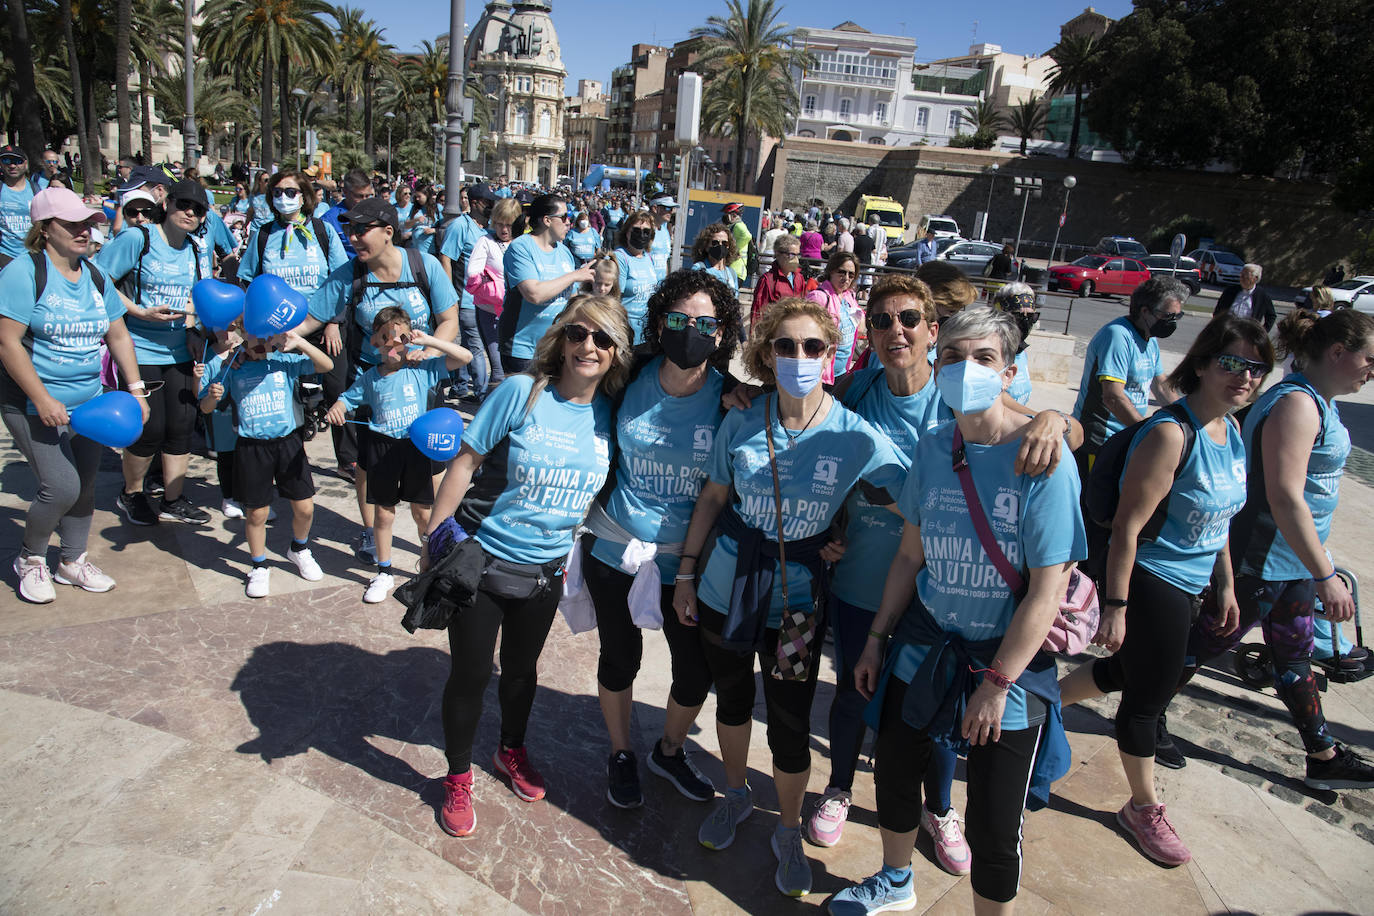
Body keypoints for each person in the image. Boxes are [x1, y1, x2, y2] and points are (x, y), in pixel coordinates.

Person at [833, 306, 1085, 915]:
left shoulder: (1042, 460)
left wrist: (997, 684)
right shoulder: (932, 448)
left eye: (983, 358)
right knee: (893, 772)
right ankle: (895, 881)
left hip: (1005, 667)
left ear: (1009, 372)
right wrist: (875, 640)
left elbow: (1046, 590)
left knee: (995, 826)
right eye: (952, 356)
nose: (964, 368)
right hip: (924, 643)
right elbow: (908, 559)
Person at [673, 297, 907, 898]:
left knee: (789, 721)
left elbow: (915, 499)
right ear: (765, 355)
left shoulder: (856, 436)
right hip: (727, 587)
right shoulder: (743, 418)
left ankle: (787, 827)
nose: (798, 357)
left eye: (812, 347)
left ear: (832, 356)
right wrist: (685, 574)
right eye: (785, 346)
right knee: (730, 699)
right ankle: (734, 794)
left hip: (796, 605)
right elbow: (712, 500)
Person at [1058, 315, 1271, 867]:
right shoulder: (1170, 433)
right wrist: (1117, 607)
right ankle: (1141, 806)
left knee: (1132, 671)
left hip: (1195, 582)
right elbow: (1127, 527)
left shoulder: (1233, 429)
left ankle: (1042, 705)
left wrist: (1224, 584)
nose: (1245, 376)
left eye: (1256, 367)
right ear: (1200, 364)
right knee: (1148, 698)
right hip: (1153, 579)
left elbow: (1219, 520)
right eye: (1232, 363)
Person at [426, 295, 632, 838]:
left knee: (521, 673)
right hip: (482, 559)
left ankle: (509, 751)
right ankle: (456, 775)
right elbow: (465, 461)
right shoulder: (522, 391)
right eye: (579, 334)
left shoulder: (612, 414)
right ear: (561, 340)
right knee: (471, 674)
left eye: (603, 338)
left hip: (545, 570)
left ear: (616, 353)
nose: (589, 346)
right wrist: (435, 537)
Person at [1171, 309, 1374, 791]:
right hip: (1263, 558)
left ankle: (1322, 752)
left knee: (1294, 656)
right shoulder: (1297, 405)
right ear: (1338, 352)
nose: (1373, 370)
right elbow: (1284, 495)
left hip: (1291, 562)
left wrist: (1315, 566)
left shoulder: (1320, 401)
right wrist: (1326, 574)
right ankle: (1142, 712)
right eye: (1371, 358)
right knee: (1207, 641)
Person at [579, 269, 745, 809]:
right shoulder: (629, 378)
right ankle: (622, 751)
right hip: (615, 551)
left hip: (690, 567)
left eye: (703, 322)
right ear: (658, 323)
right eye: (678, 319)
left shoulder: (732, 401)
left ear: (721, 334)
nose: (690, 330)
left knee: (694, 673)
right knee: (619, 657)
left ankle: (668, 751)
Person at [0, 188, 148, 602]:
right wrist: (43, 400)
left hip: (89, 401)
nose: (85, 232)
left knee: (83, 485)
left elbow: (118, 334)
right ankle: (29, 558)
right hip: (30, 402)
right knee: (60, 486)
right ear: (45, 229)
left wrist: (135, 389)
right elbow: (7, 343)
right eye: (73, 224)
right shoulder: (24, 272)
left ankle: (71, 560)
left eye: (88, 224)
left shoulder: (95, 274)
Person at [301, 197, 460, 566]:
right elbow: (309, 319)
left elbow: (448, 320)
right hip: (371, 384)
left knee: (430, 465)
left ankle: (433, 538)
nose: (353, 237)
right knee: (368, 467)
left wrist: (431, 355)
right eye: (349, 230)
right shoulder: (349, 274)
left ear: (389, 232)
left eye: (361, 229)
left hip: (420, 382)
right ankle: (373, 533)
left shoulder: (425, 265)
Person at [325, 308, 471, 603]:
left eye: (401, 337)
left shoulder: (422, 369)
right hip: (382, 449)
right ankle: (384, 570)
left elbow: (464, 357)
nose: (393, 344)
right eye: (385, 338)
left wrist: (430, 341)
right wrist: (338, 408)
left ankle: (430, 564)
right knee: (383, 513)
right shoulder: (369, 378)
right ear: (374, 342)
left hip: (415, 449)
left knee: (422, 514)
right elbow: (346, 399)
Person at [95, 178, 214, 526]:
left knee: (181, 426)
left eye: (198, 209)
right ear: (167, 205)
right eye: (183, 204)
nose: (189, 212)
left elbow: (199, 296)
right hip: (139, 349)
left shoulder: (195, 249)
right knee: (149, 428)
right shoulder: (139, 238)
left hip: (179, 349)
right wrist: (137, 311)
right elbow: (98, 278)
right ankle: (131, 493)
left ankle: (173, 499)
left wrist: (194, 328)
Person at [199, 326, 334, 598]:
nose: (260, 342)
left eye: (265, 336)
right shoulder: (231, 368)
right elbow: (204, 406)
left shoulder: (283, 362)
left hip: (288, 444)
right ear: (240, 337)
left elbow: (326, 365)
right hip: (252, 448)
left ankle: (299, 548)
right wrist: (211, 398)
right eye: (253, 336)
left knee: (305, 508)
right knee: (257, 513)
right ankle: (259, 565)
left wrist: (299, 342)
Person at [1073, 277, 1184, 470]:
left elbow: (1161, 386)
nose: (1172, 323)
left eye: (1177, 316)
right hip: (1099, 443)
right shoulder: (1117, 336)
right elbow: (1113, 396)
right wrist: (1147, 433)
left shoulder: (1150, 338)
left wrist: (1186, 416)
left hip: (1126, 437)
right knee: (1094, 500)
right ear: (1145, 311)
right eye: (1168, 316)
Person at [501, 194, 596, 374]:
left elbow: (571, 299)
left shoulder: (565, 252)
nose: (569, 222)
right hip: (523, 350)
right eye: (563, 217)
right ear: (547, 220)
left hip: (556, 348)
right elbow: (534, 294)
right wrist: (574, 276)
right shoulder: (520, 247)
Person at [438, 182, 497, 400]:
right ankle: (477, 391)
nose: (492, 206)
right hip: (466, 300)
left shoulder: (489, 229)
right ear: (475, 203)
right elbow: (446, 258)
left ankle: (471, 389)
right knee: (473, 346)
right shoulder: (459, 226)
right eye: (488, 203)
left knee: (471, 345)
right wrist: (448, 295)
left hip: (488, 301)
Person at [466, 196, 521, 393]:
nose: (503, 229)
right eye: (499, 224)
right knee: (498, 370)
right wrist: (495, 283)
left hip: (517, 314)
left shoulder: (523, 242)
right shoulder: (485, 241)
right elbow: (473, 273)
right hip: (490, 312)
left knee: (517, 370)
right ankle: (489, 415)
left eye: (508, 224)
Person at [805, 251, 861, 384]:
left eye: (851, 274)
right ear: (831, 271)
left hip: (841, 372)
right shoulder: (819, 297)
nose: (846, 278)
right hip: (820, 374)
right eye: (842, 272)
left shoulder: (849, 297)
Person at [614, 210, 660, 342]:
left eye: (646, 231)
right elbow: (614, 299)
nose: (641, 235)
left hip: (647, 332)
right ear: (627, 232)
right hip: (626, 333)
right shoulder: (620, 257)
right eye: (636, 230)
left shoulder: (648, 258)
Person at [751, 234, 815, 326]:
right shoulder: (767, 280)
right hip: (775, 332)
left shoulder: (799, 278)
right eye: (791, 255)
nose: (795, 259)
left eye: (797, 255)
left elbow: (804, 305)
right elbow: (757, 314)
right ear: (778, 254)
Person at [992, 282, 1039, 404]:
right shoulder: (990, 353)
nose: (1025, 322)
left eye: (1031, 316)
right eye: (1017, 315)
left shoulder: (1021, 352)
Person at [322, 169, 375, 260]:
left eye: (368, 196)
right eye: (359, 196)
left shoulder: (375, 214)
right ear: (345, 192)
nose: (365, 201)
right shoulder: (329, 221)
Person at [0, 145, 36, 269]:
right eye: (6, 161)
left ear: (25, 164)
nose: (12, 165)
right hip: (5, 255)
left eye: (17, 161)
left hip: (32, 254)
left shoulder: (36, 190)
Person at [1213, 262, 1275, 331]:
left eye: (1245, 276)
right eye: (1241, 275)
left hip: (1247, 335)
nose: (1241, 278)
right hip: (1227, 331)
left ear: (1255, 278)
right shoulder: (1230, 291)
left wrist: (1262, 332)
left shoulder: (1263, 296)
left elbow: (1271, 316)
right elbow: (1218, 311)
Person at [689, 223, 739, 296]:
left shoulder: (732, 273)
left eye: (725, 243)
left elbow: (735, 299)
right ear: (706, 246)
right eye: (715, 243)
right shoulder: (700, 269)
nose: (720, 246)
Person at [648, 194, 677, 281]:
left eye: (672, 209)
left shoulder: (665, 232)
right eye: (667, 208)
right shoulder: (643, 230)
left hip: (660, 287)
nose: (670, 212)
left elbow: (665, 261)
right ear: (655, 208)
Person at [406, 185, 440, 257]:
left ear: (426, 195)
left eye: (419, 196)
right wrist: (416, 220)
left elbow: (445, 228)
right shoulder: (415, 208)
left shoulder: (437, 208)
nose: (417, 199)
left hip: (431, 250)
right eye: (416, 197)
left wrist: (433, 230)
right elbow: (407, 225)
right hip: (416, 249)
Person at [722, 202, 752, 285]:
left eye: (727, 214)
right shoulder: (733, 226)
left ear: (733, 215)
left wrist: (735, 249)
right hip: (733, 268)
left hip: (737, 269)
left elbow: (747, 236)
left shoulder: (738, 226)